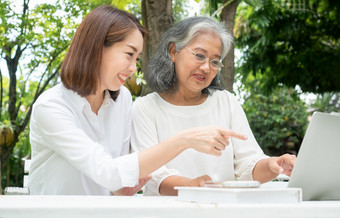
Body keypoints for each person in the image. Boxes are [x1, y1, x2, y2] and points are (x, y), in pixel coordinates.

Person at [28, 6, 247, 195]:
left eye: (137, 58)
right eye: (128, 54)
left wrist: (124, 189)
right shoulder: (52, 107)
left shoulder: (122, 99)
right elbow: (109, 173)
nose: (133, 68)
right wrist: (186, 139)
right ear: (97, 48)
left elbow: (118, 179)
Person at [131, 16, 296, 196]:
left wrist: (273, 165)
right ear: (173, 51)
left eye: (215, 61)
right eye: (199, 55)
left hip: (222, 210)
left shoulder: (226, 102)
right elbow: (153, 176)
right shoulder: (145, 108)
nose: (206, 68)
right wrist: (193, 186)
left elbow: (248, 164)